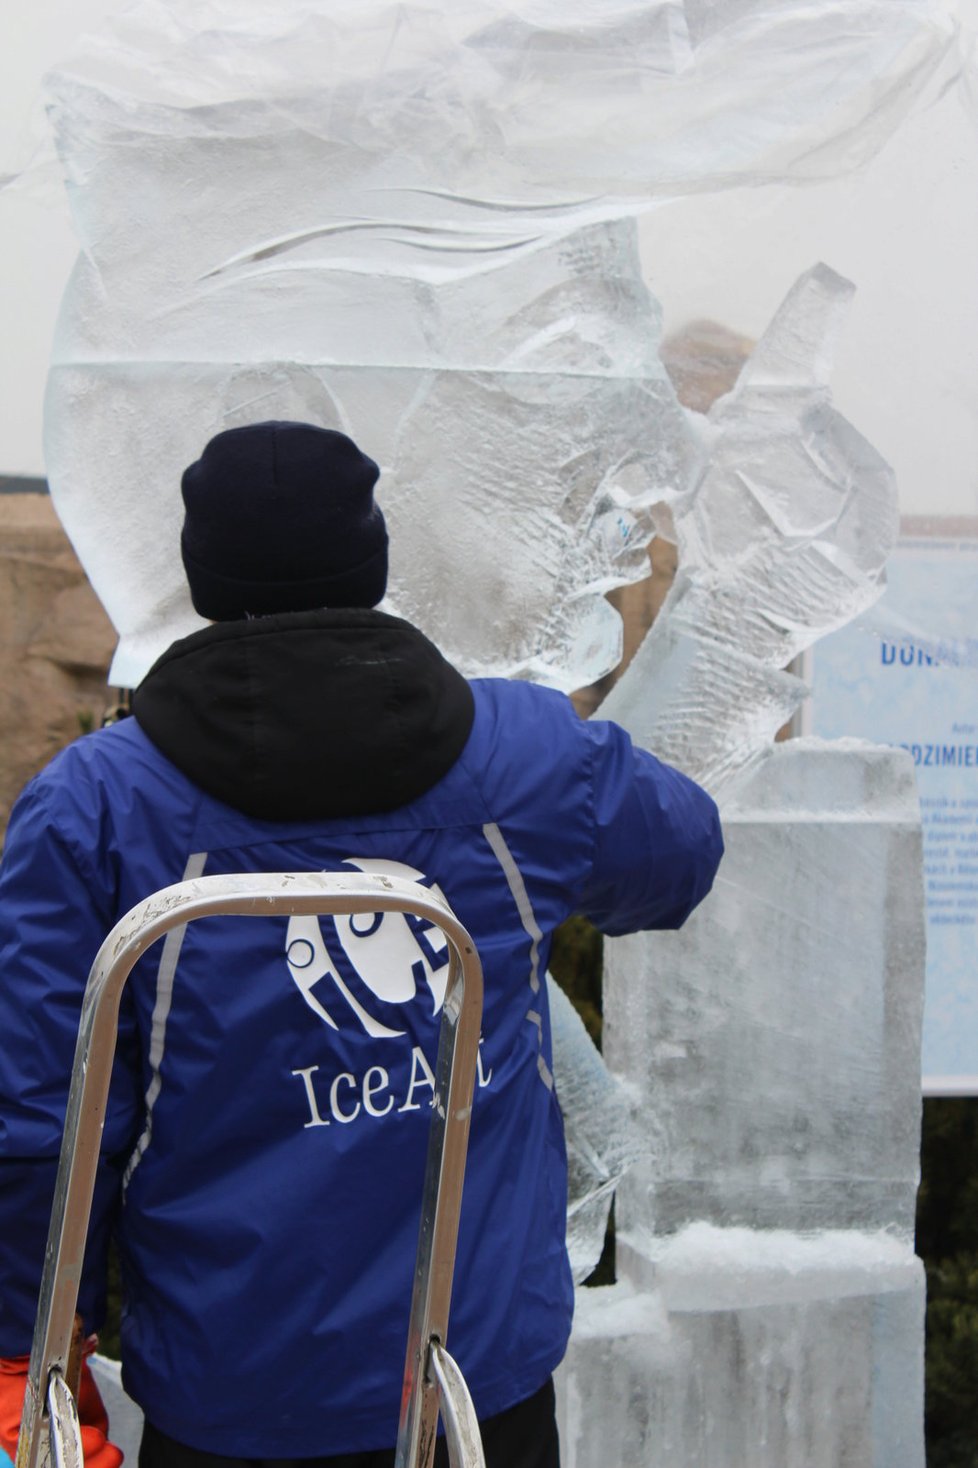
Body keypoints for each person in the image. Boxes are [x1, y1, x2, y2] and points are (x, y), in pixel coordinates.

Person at [0, 421, 723, 1467]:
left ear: (201, 575)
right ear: (373, 561)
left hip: (231, 1396)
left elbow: (36, 1120)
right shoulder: (527, 758)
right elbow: (683, 855)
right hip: (471, 1384)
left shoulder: (96, 805)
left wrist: (32, 1341)